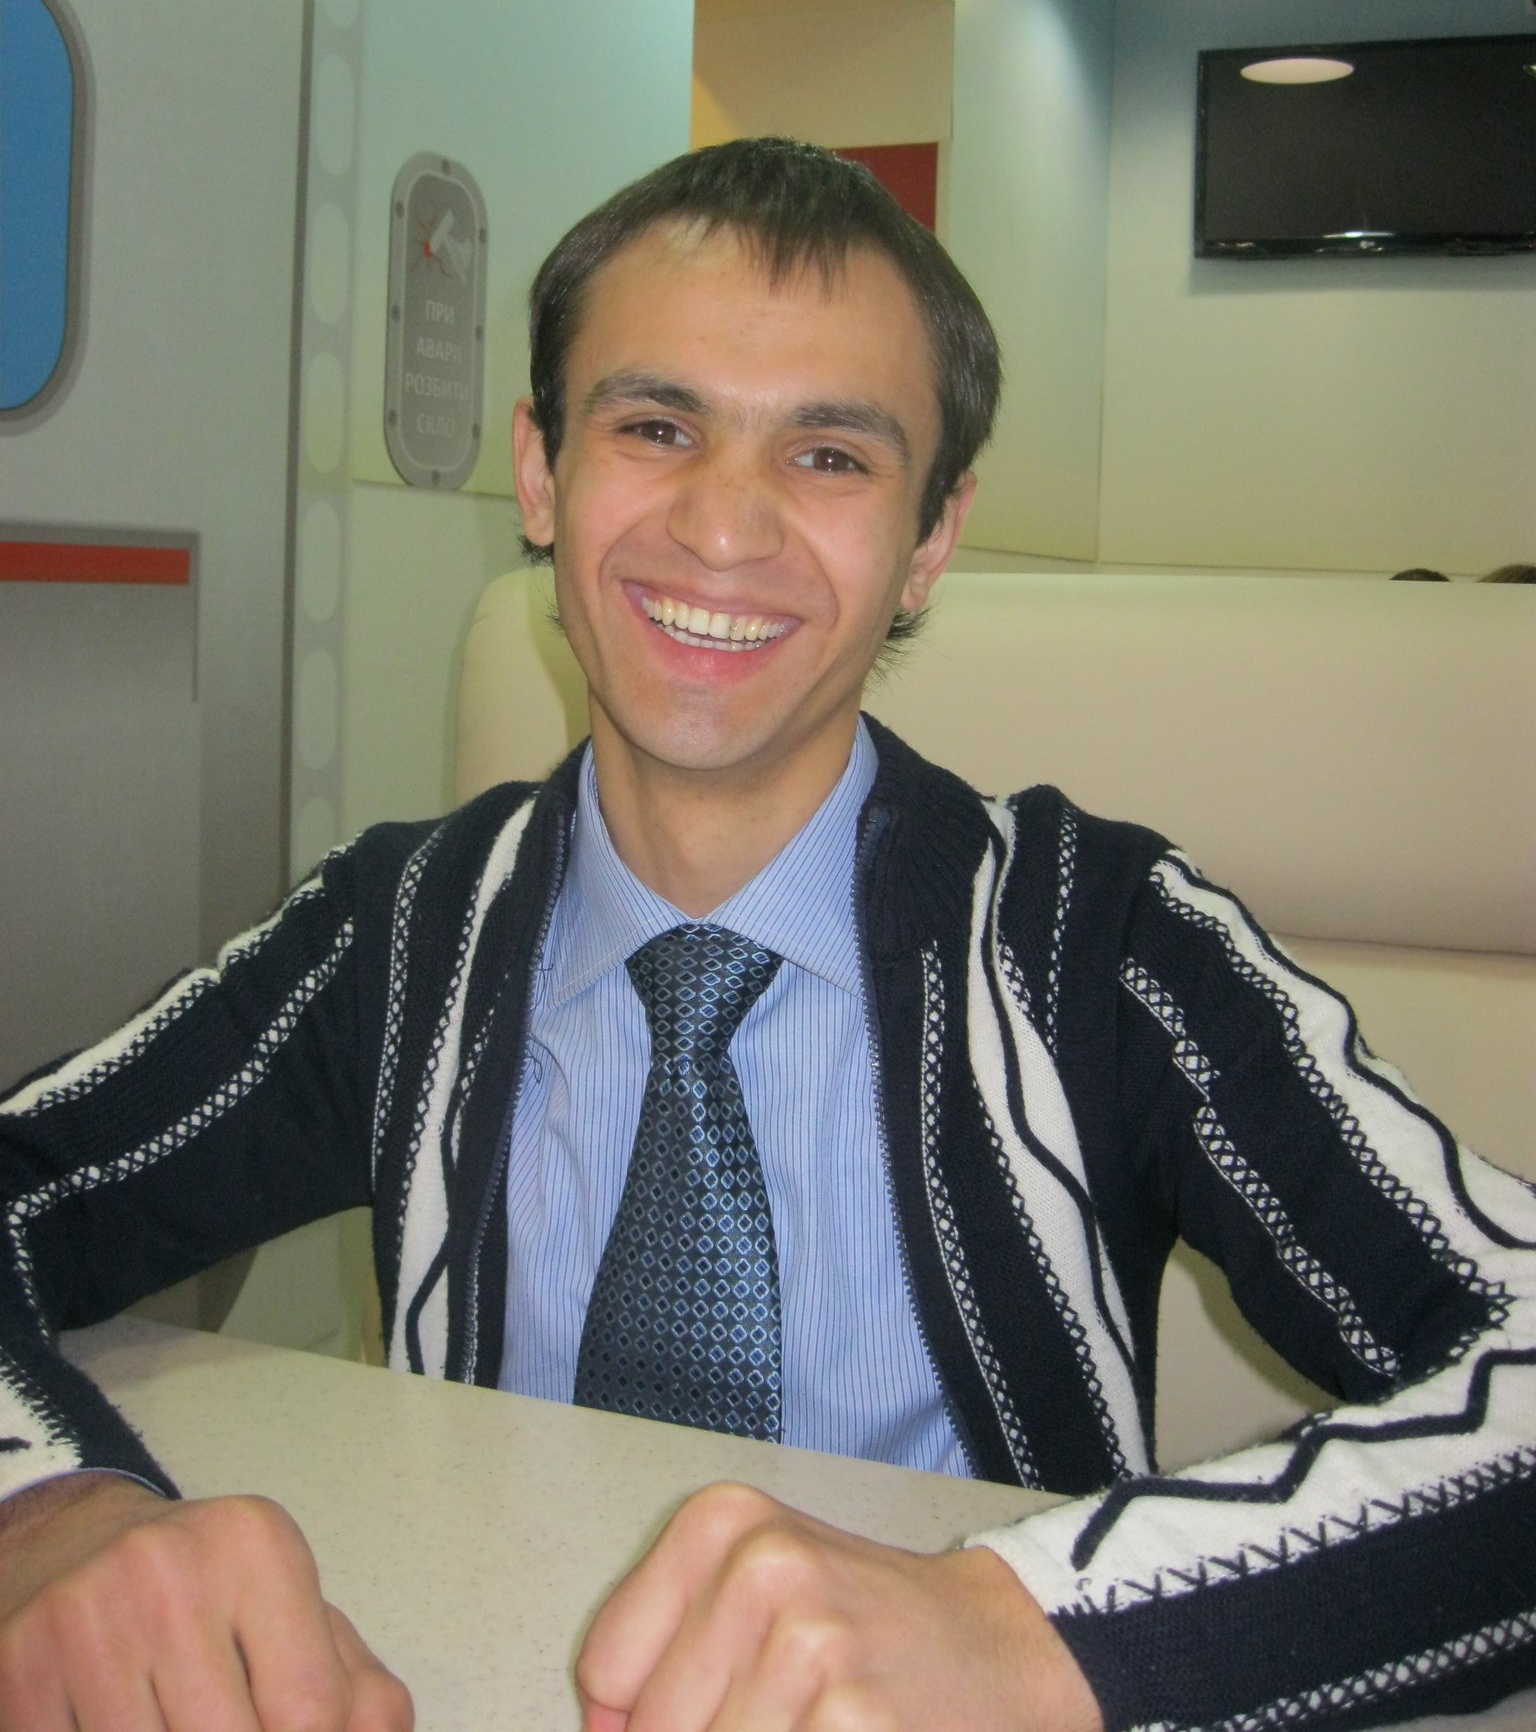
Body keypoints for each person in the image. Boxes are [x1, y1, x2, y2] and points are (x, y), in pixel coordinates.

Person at [0, 139, 1532, 1731]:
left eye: (830, 456)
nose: (724, 526)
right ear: (541, 472)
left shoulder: (1105, 947)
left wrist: (1021, 1635)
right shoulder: (400, 940)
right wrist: (43, 1515)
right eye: (655, 427)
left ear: (929, 542)